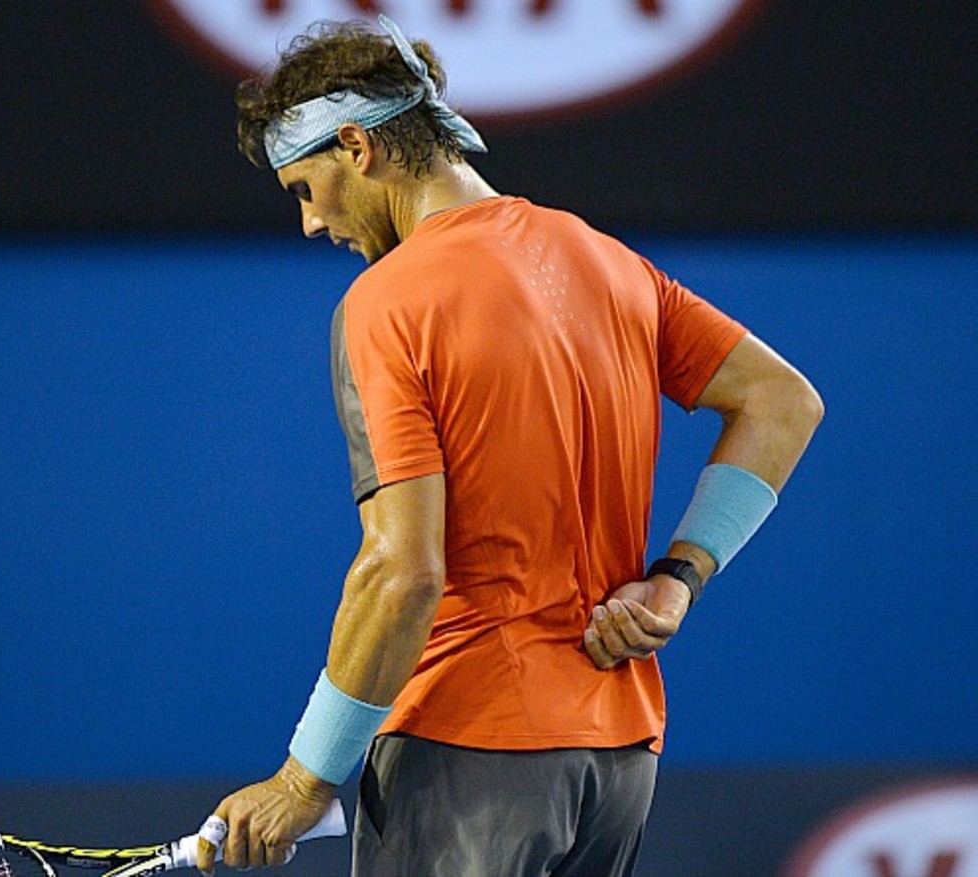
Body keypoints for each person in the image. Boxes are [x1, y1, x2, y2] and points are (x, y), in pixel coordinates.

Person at [195, 14, 823, 877]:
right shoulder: (608, 261)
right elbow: (782, 401)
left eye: (306, 188)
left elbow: (402, 570)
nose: (310, 224)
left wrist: (306, 775)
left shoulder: (388, 301)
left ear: (356, 146)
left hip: (469, 751)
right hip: (618, 758)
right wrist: (678, 578)